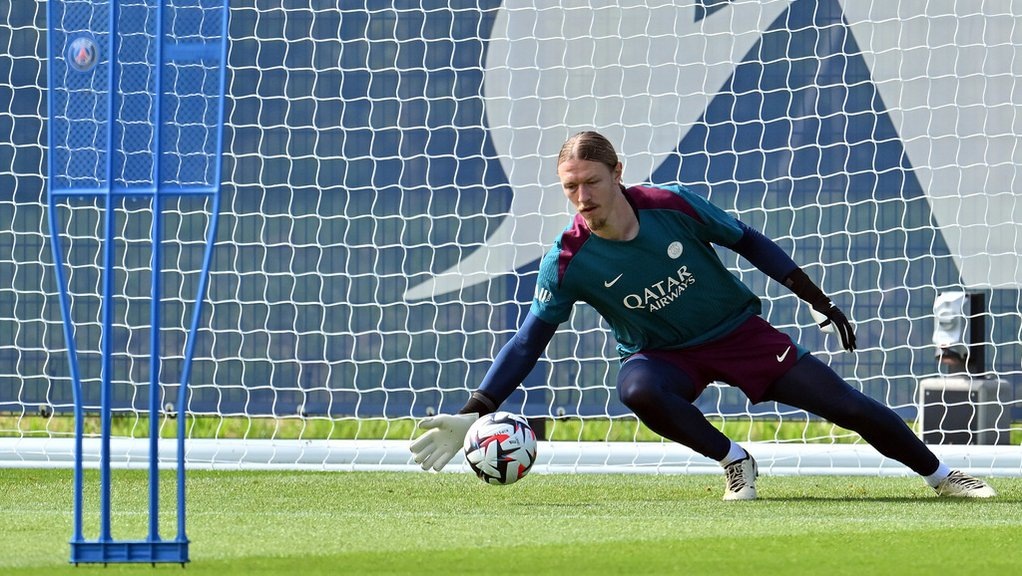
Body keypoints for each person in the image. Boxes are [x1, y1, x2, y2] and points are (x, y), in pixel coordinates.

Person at [410, 130, 996, 500]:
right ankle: (734, 461)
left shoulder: (671, 205)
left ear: (617, 173)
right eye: (571, 189)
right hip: (664, 356)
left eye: (591, 182)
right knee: (636, 388)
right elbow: (529, 339)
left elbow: (751, 242)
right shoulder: (567, 261)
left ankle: (943, 475)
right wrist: (474, 411)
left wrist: (816, 300)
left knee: (848, 406)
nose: (583, 197)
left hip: (738, 333)